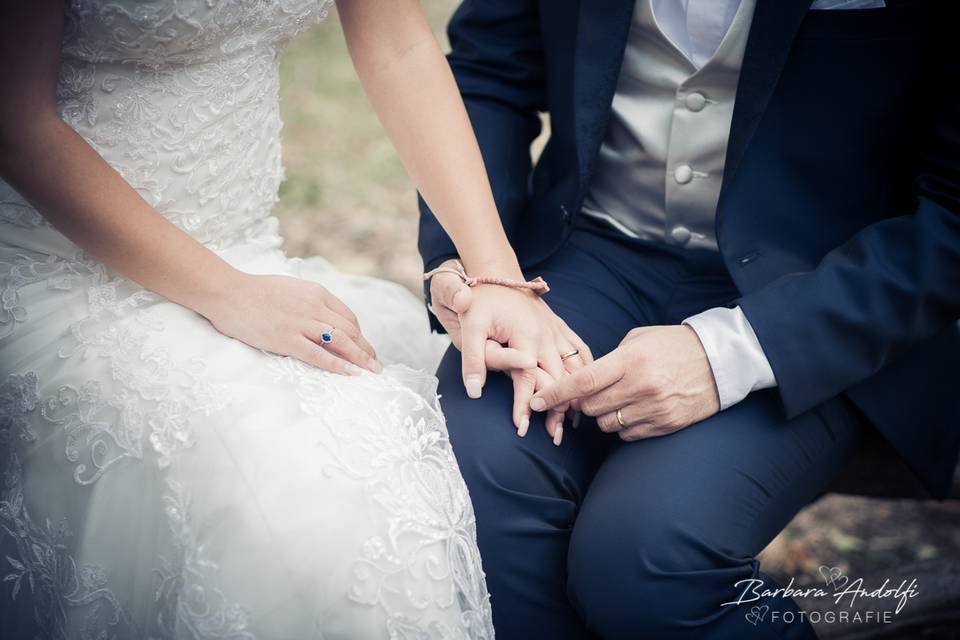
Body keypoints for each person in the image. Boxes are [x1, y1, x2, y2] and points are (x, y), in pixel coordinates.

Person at [0, 0, 586, 637]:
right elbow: (15, 118)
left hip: (256, 260)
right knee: (305, 491)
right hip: (65, 270)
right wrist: (228, 295)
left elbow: (398, 45)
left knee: (406, 450)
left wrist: (495, 276)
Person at [421, 0, 960, 638]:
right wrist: (468, 265)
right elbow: (490, 72)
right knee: (477, 478)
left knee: (647, 556)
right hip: (587, 253)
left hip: (816, 292)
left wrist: (726, 354)